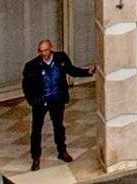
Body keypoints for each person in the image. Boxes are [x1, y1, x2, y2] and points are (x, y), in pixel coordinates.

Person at [20, 39, 92, 170]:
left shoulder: (60, 58)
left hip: (57, 100)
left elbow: (72, 70)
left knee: (58, 126)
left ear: (50, 49)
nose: (43, 53)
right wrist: (33, 101)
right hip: (41, 103)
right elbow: (27, 86)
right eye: (41, 51)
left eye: (45, 50)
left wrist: (87, 72)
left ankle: (62, 151)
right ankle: (36, 157)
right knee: (36, 130)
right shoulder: (32, 65)